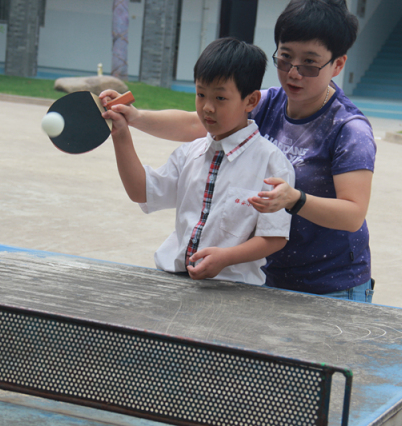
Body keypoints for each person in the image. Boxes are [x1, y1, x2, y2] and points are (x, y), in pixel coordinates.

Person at [101, 0, 377, 302]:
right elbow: (199, 123)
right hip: (265, 277)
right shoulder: (268, 102)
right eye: (285, 58)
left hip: (330, 283)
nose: (294, 72)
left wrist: (294, 199)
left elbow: (352, 214)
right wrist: (135, 117)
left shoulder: (348, 128)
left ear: (337, 64)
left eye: (309, 63)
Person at [104, 38, 296, 286]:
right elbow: (141, 191)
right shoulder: (190, 153)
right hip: (174, 281)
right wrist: (121, 134)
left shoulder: (272, 163)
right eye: (201, 94)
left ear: (250, 101)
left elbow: (274, 237)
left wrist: (226, 257)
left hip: (234, 290)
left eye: (220, 98)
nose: (207, 107)